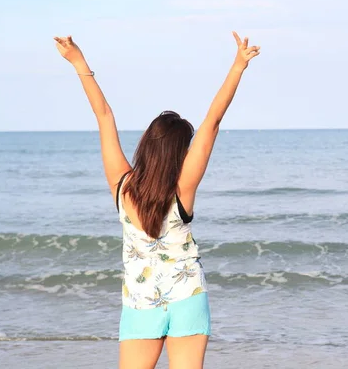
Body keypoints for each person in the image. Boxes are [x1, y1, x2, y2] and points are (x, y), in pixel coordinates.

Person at [54, 32, 260, 369]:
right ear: (181, 152)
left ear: (148, 144)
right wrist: (238, 66)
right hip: (187, 296)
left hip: (139, 303)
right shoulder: (183, 188)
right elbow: (213, 122)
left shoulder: (122, 186)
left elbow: (104, 116)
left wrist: (78, 61)